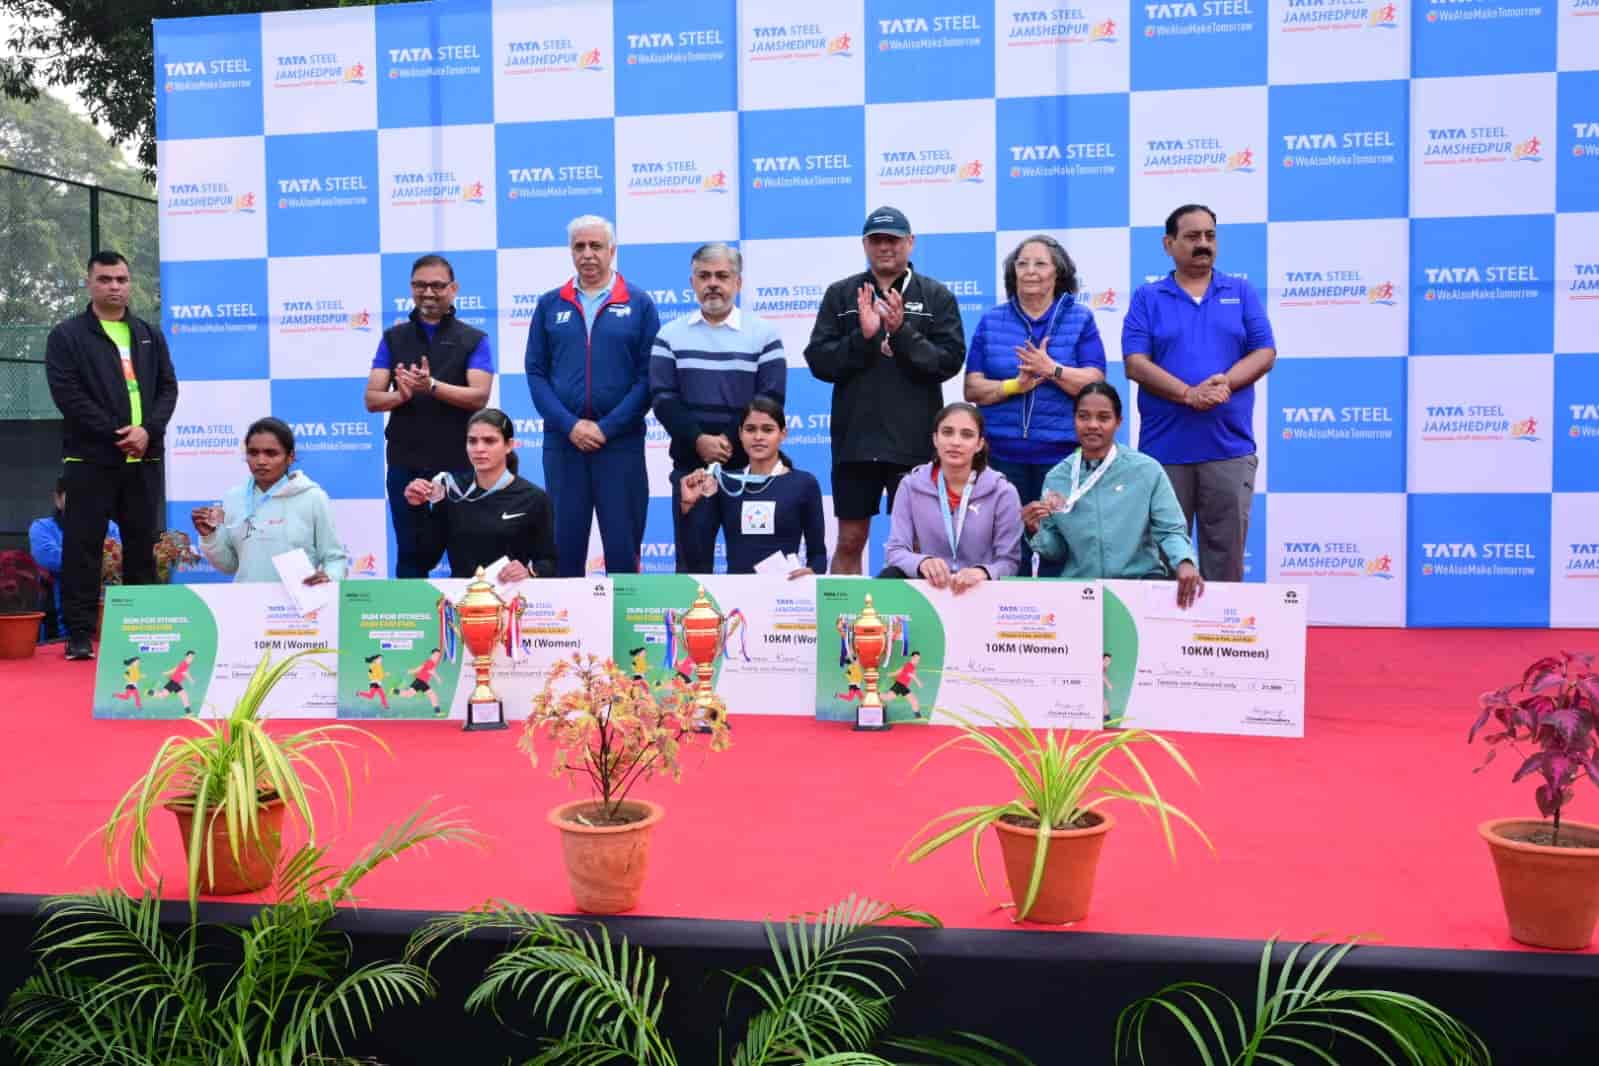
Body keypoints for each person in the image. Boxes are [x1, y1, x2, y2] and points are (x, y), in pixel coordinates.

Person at [804, 206, 966, 574]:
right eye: (876, 240)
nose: (885, 247)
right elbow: (819, 362)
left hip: (915, 443)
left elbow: (949, 362)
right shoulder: (841, 294)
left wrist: (901, 332)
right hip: (856, 441)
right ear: (864, 244)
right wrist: (863, 338)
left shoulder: (936, 296)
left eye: (893, 239)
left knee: (919, 543)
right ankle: (843, 610)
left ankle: (917, 611)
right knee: (850, 539)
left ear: (910, 242)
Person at [1122, 204, 1276, 583]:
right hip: (1164, 454)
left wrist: (1224, 383)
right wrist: (1188, 394)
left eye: (1210, 236)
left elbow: (1265, 351)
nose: (1203, 244)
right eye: (1192, 236)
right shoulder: (1148, 297)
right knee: (1163, 566)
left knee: (1225, 568)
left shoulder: (1240, 291)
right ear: (1168, 244)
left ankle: (1221, 626)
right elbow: (1135, 363)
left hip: (1228, 450)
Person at [45, 250, 179, 660]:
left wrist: (147, 431)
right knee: (83, 548)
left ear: (130, 283)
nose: (114, 287)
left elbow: (167, 389)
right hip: (91, 460)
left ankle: (143, 628)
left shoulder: (148, 334)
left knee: (142, 547)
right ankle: (80, 636)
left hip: (144, 458)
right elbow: (68, 395)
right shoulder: (67, 336)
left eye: (121, 279)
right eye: (104, 279)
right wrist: (117, 434)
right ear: (89, 283)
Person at [964, 235, 1106, 577]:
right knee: (1006, 551)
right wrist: (1016, 385)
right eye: (1022, 263)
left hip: (1061, 459)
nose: (1030, 271)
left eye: (1040, 263)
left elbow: (1094, 384)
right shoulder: (992, 320)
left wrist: (1051, 369)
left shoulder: (1080, 319)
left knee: (1061, 549)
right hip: (1001, 456)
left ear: (1058, 273)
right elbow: (972, 388)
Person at [525, 214, 658, 577]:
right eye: (579, 246)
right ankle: (566, 618)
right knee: (562, 552)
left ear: (611, 251)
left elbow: (649, 377)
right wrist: (570, 426)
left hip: (620, 445)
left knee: (623, 552)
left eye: (595, 246)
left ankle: (625, 617)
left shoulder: (639, 303)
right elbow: (535, 373)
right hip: (564, 445)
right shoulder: (550, 304)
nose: (587, 254)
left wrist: (606, 428)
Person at [651, 242, 786, 574]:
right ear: (692, 282)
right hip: (692, 471)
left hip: (751, 472)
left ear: (738, 282)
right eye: (704, 276)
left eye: (722, 276)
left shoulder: (764, 334)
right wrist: (699, 440)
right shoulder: (670, 335)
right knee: (692, 571)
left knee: (754, 569)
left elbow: (771, 398)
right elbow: (662, 399)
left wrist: (726, 441)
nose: (713, 283)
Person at [365, 254, 494, 578]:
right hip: (405, 464)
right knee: (411, 558)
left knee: (468, 560)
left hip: (461, 467)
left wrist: (432, 386)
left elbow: (479, 396)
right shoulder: (393, 338)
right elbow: (372, 399)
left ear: (453, 289)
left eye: (437, 285)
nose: (428, 292)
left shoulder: (474, 339)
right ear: (411, 288)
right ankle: (410, 613)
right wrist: (401, 395)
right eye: (420, 285)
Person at [1021, 383, 1203, 609]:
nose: (1092, 425)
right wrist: (1036, 531)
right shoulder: (1057, 477)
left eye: (1104, 417)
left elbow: (1170, 530)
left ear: (1119, 422)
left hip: (1137, 586)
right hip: (1082, 591)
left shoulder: (1146, 470)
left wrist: (1185, 562)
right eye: (1083, 416)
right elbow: (1056, 551)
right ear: (1074, 419)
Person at [675, 396, 825, 577]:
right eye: (750, 429)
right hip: (736, 592)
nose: (758, 437)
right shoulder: (726, 484)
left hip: (786, 591)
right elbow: (696, 556)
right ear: (740, 434)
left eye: (767, 430)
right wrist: (688, 507)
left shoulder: (804, 484)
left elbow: (818, 555)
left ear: (783, 434)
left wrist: (812, 572)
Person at [402, 408, 558, 580]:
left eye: (489, 441)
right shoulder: (452, 492)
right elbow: (423, 560)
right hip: (461, 595)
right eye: (472, 441)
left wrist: (530, 572)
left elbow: (549, 562)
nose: (479, 449)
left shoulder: (534, 498)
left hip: (512, 594)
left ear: (509, 445)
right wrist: (417, 508)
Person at [881, 402, 1022, 589]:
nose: (955, 442)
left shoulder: (1003, 492)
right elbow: (895, 551)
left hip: (981, 591)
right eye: (947, 432)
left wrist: (983, 573)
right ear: (935, 439)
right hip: (928, 588)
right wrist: (922, 563)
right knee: (889, 576)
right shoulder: (910, 485)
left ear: (979, 444)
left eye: (967, 435)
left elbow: (1009, 562)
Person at [191, 418, 348, 585]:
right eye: (253, 453)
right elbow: (229, 566)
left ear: (290, 457)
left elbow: (334, 559)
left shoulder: (313, 497)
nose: (261, 461)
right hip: (246, 599)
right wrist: (209, 536)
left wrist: (329, 577)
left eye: (271, 453)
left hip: (298, 600)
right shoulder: (233, 498)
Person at [29, 477, 120, 641]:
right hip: (59, 621)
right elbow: (50, 558)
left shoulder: (110, 527)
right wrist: (98, 558)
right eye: (74, 496)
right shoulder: (42, 527)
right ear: (58, 499)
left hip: (107, 616)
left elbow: (116, 561)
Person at [392, 647, 444, 717]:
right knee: (431, 695)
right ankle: (438, 712)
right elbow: (431, 671)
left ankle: (394, 691)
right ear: (431, 655)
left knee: (410, 695)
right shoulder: (430, 662)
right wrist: (438, 678)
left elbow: (419, 668)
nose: (436, 657)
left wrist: (412, 671)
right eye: (435, 655)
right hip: (421, 681)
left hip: (421, 681)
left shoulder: (428, 662)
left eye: (438, 656)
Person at [145, 649, 198, 715]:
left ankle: (188, 712)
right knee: (162, 696)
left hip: (176, 683)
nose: (191, 659)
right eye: (189, 657)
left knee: (184, 695)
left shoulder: (184, 663)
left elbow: (175, 669)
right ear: (186, 656)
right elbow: (185, 673)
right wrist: (191, 680)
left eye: (192, 657)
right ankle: (150, 692)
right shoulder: (184, 664)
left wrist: (167, 673)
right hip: (173, 682)